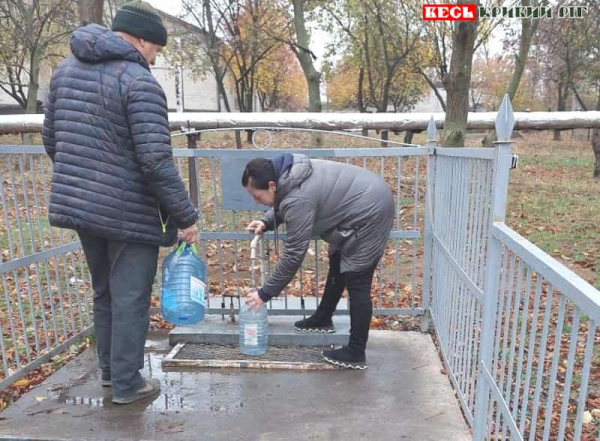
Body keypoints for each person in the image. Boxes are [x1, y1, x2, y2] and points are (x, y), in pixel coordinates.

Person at [42, 1, 199, 404]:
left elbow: (51, 140)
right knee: (129, 298)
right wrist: (186, 216)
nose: (154, 58)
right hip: (129, 213)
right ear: (143, 40)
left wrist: (86, 181)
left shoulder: (65, 71)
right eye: (156, 50)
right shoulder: (138, 81)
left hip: (82, 208)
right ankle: (129, 385)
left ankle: (112, 374)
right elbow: (155, 161)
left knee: (104, 293)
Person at [242, 154, 394, 369]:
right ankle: (323, 317)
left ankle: (356, 351)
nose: (255, 201)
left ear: (271, 184)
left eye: (257, 196)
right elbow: (285, 200)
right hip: (363, 198)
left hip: (370, 209)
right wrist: (267, 221)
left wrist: (264, 293)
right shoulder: (288, 174)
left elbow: (294, 253)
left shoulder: (297, 198)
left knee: (357, 279)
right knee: (337, 260)